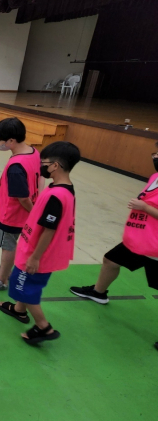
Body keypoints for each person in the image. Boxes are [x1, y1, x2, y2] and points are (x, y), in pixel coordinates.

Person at [70, 145, 158, 350]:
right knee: (111, 260)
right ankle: (99, 292)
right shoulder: (155, 177)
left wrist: (144, 208)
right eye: (156, 152)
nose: (155, 156)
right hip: (141, 238)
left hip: (155, 247)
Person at [0, 141, 80, 344]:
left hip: (37, 255)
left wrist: (34, 258)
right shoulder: (64, 188)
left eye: (44, 162)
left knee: (24, 288)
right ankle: (19, 310)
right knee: (28, 286)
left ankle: (44, 327)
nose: (40, 166)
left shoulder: (57, 195)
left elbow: (49, 229)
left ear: (55, 166)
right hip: (37, 251)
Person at [0, 117, 43, 291]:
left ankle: (2, 278)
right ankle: (5, 267)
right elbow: (42, 178)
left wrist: (34, 211)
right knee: (12, 243)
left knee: (7, 245)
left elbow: (22, 198)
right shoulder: (34, 152)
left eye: (0, 140)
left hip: (12, 215)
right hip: (24, 214)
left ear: (11, 141)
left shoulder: (16, 166)